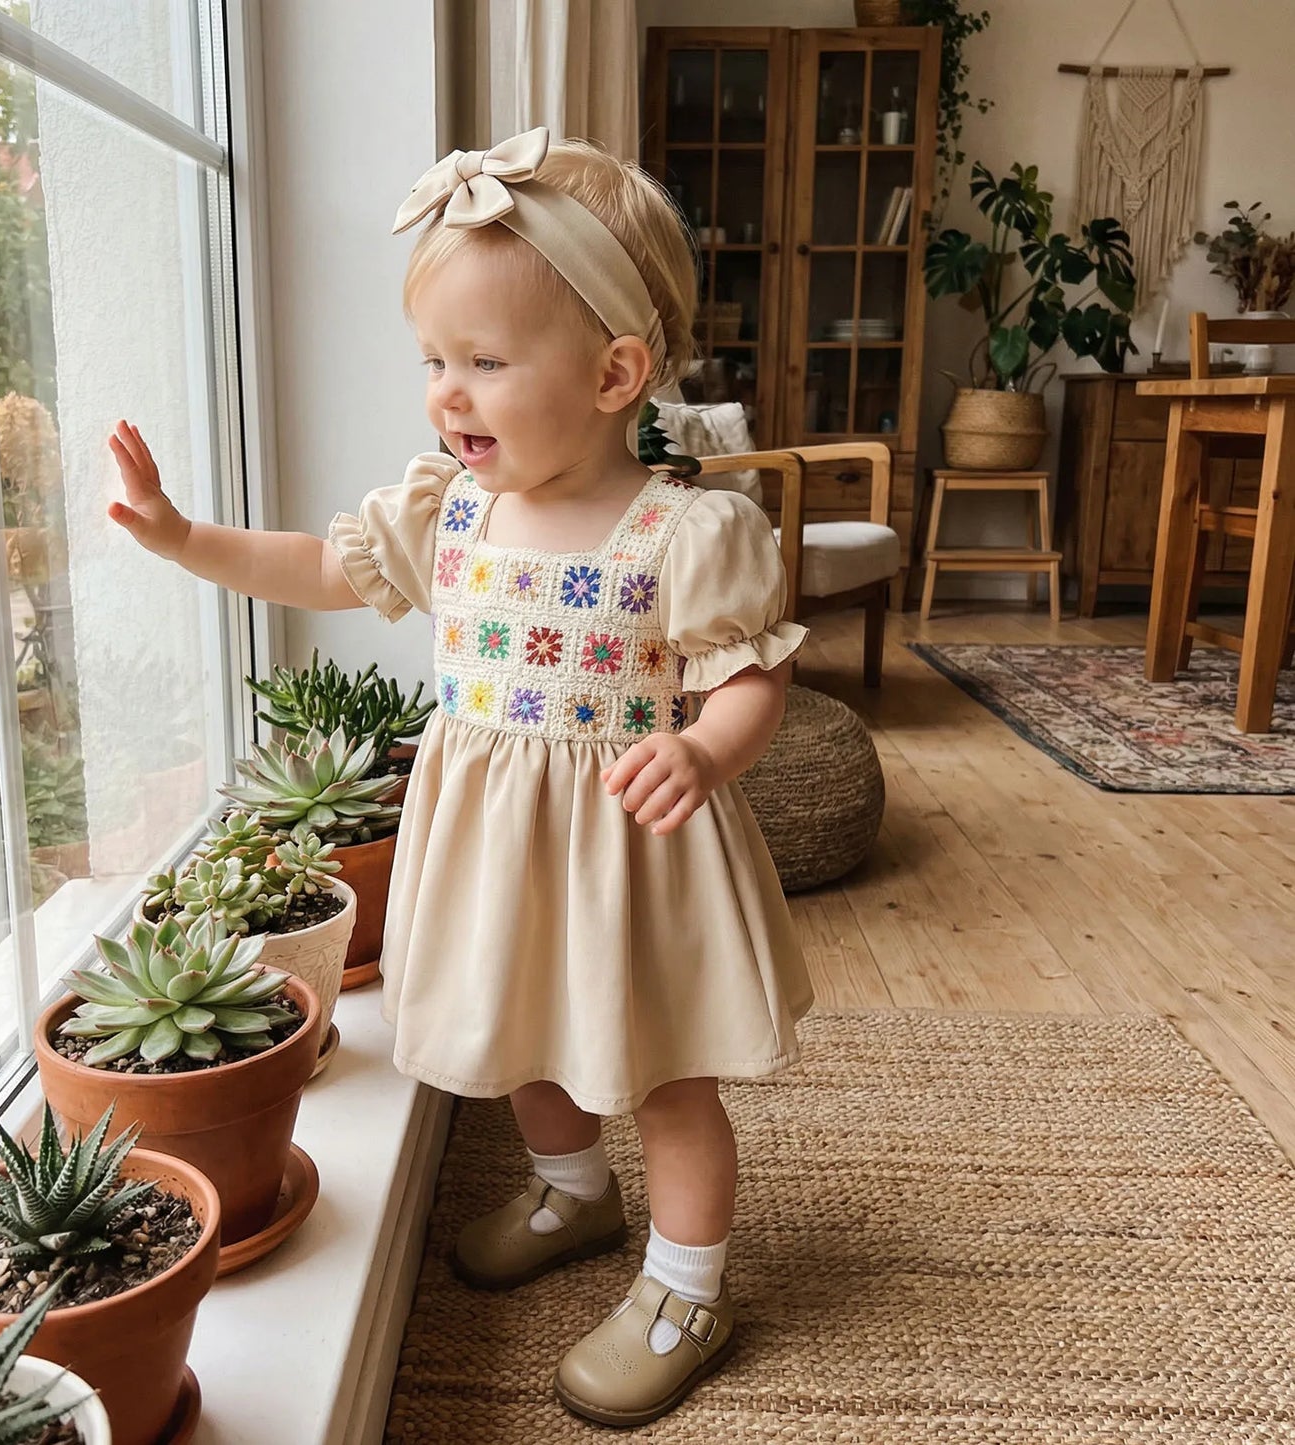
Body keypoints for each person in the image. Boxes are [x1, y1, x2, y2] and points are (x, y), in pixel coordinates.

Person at [108, 125, 813, 1428]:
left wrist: (705, 746)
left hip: (630, 856)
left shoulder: (685, 531)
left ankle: (686, 1287)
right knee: (520, 1030)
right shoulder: (450, 514)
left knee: (667, 1075)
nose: (446, 394)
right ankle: (573, 1189)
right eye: (433, 360)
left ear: (614, 373)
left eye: (485, 363)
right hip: (499, 852)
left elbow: (751, 677)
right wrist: (183, 536)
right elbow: (318, 567)